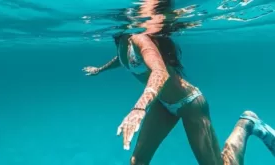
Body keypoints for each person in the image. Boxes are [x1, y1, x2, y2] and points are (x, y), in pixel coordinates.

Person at [82, 1, 275, 165]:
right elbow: (124, 60)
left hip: (190, 104)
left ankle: (247, 123)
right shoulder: (123, 42)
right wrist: (100, 69)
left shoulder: (139, 38)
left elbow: (160, 72)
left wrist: (139, 108)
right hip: (163, 104)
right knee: (137, 161)